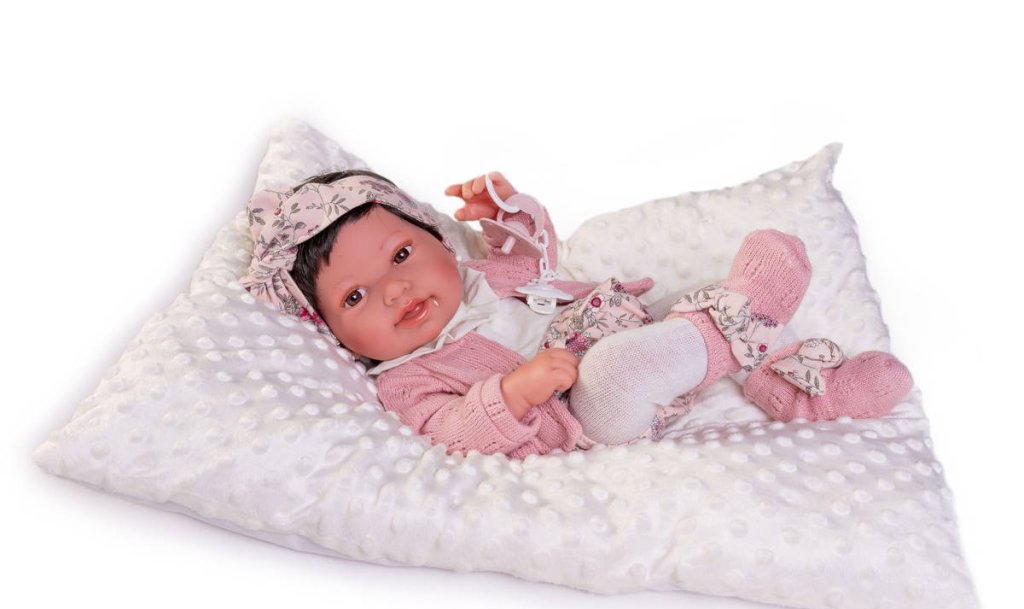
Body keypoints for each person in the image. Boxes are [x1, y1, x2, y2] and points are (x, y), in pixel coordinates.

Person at [243, 169, 912, 459]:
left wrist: (507, 216)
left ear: (438, 240)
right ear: (330, 331)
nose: (394, 290)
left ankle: (792, 386)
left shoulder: (476, 279)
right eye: (355, 297)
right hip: (592, 415)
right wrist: (512, 393)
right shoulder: (405, 378)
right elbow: (451, 433)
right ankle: (745, 323)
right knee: (617, 369)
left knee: (683, 308)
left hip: (637, 331)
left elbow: (536, 265)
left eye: (401, 254)